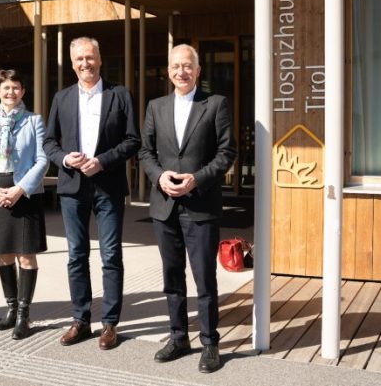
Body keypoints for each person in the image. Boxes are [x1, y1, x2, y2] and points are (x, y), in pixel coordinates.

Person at [138, 44, 237, 373]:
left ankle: (210, 342)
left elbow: (227, 152)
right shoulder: (156, 106)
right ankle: (178, 337)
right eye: (176, 66)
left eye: (187, 66)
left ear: (198, 71)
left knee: (204, 278)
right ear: (169, 71)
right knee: (172, 276)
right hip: (164, 205)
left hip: (201, 205)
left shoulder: (216, 104)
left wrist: (197, 179)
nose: (181, 71)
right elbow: (145, 152)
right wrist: (159, 176)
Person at [43, 37, 140, 350]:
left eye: (90, 57)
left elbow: (132, 140)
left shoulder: (120, 95)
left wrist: (102, 161)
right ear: (72, 64)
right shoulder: (62, 98)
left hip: (108, 186)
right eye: (79, 59)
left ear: (99, 59)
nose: (85, 63)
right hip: (72, 187)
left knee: (110, 255)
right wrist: (64, 159)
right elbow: (49, 142)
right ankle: (81, 320)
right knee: (76, 254)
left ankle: (109, 323)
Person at [0, 69, 48, 340]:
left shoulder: (34, 121)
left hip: (25, 192)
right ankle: (11, 308)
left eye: (16, 87)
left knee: (26, 255)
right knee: (4, 254)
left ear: (23, 91)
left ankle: (24, 315)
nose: (11, 92)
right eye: (6, 87)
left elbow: (42, 159)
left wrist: (20, 189)